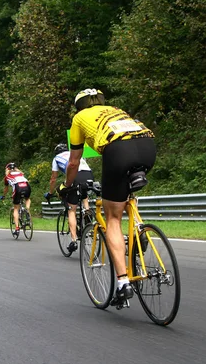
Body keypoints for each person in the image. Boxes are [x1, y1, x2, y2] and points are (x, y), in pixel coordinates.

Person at [58, 88, 156, 306]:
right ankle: (139, 229)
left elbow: (73, 162)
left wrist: (66, 185)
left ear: (78, 105)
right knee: (125, 194)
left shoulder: (79, 118)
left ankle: (122, 283)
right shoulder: (115, 110)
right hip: (148, 146)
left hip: (118, 151)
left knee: (112, 218)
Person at [44, 143, 94, 253]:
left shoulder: (56, 158)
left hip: (75, 176)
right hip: (89, 175)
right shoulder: (74, 153)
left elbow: (53, 178)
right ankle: (87, 211)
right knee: (83, 192)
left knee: (71, 209)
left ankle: (74, 240)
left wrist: (50, 192)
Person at [1, 163, 31, 237]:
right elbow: (21, 173)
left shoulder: (7, 177)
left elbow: (6, 189)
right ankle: (27, 209)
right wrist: (16, 169)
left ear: (7, 169)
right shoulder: (21, 174)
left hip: (18, 188)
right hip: (27, 186)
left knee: (16, 208)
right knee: (27, 199)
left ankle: (17, 228)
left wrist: (3, 196)